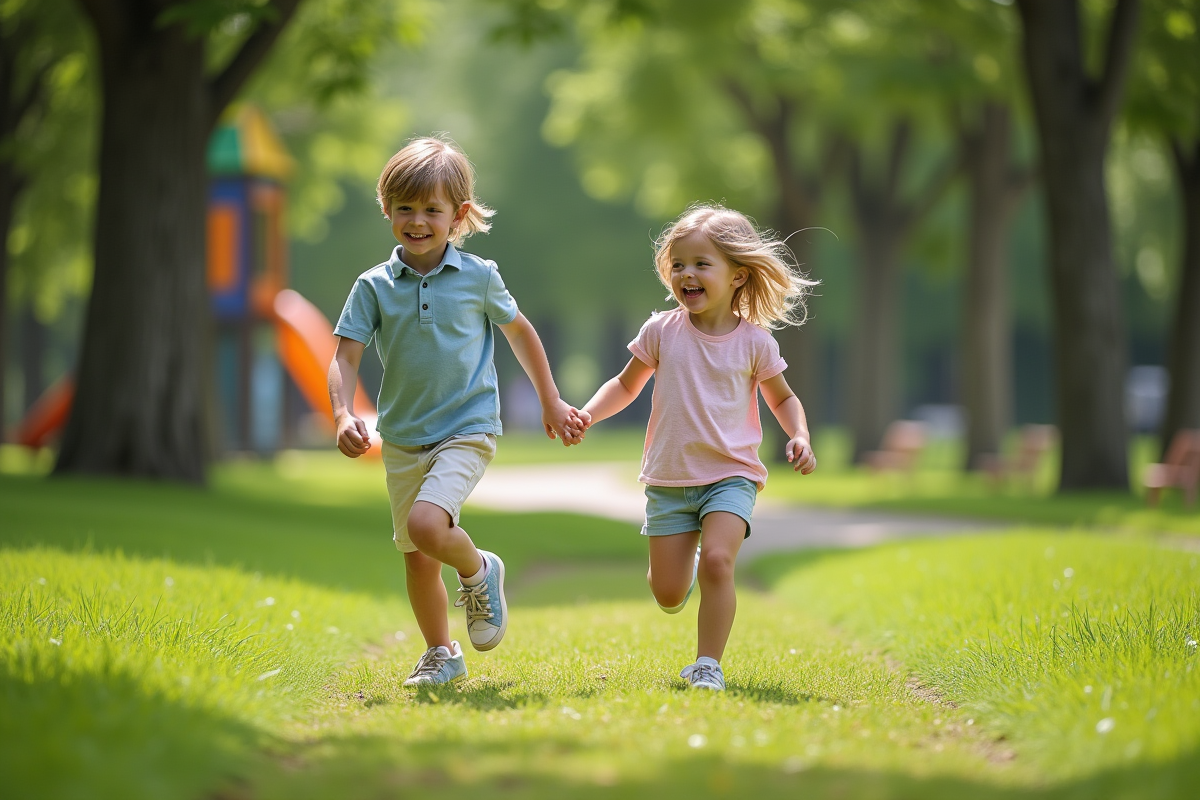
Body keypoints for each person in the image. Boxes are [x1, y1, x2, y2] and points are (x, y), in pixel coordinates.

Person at [328, 135, 585, 687]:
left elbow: (521, 333)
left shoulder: (478, 277)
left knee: (427, 526)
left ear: (459, 215)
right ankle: (442, 654)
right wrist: (342, 412)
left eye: (431, 210)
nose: (417, 221)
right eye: (405, 208)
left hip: (467, 428)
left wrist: (550, 399)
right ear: (386, 209)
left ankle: (478, 569)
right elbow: (345, 355)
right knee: (417, 556)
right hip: (401, 436)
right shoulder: (373, 286)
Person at [575, 204, 818, 691]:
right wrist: (587, 414)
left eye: (702, 264)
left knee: (718, 561)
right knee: (666, 593)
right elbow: (625, 386)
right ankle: (677, 578)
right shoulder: (661, 331)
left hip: (731, 475)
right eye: (679, 264)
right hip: (669, 479)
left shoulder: (755, 343)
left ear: (737, 275)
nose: (687, 273)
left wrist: (799, 435)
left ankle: (708, 664)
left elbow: (783, 397)